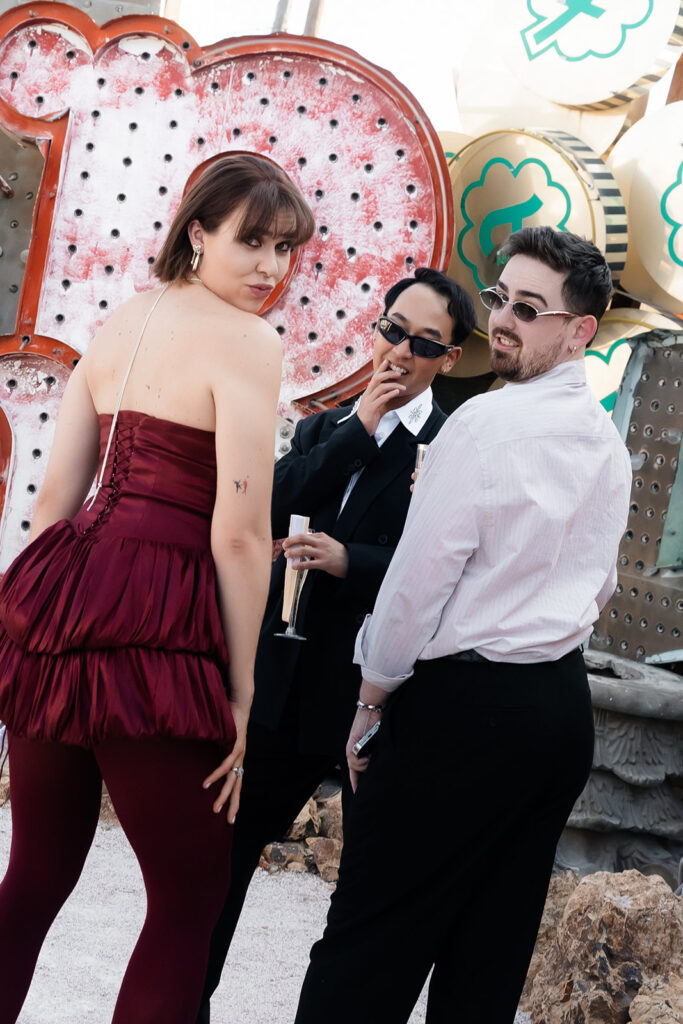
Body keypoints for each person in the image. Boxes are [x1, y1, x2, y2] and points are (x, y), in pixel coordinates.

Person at [0, 153, 314, 1024]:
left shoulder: (120, 323)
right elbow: (243, 532)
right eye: (252, 242)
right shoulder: (249, 342)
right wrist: (242, 692)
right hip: (160, 615)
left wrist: (41, 623)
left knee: (31, 880)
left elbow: (54, 504)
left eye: (286, 249)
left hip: (65, 600)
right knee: (188, 899)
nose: (270, 268)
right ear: (196, 232)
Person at [294, 227, 633, 1024]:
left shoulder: (480, 426)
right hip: (556, 713)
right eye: (497, 298)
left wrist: (371, 698)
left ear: (579, 329)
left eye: (528, 308)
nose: (502, 321)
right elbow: (602, 588)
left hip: (459, 713)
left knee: (366, 949)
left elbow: (415, 588)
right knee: (486, 965)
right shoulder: (604, 442)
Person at [197, 268, 476, 1022]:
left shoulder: (454, 444)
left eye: (422, 343)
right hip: (282, 690)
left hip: (374, 705)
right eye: (391, 330)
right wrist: (358, 425)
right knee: (215, 872)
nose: (398, 352)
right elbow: (268, 508)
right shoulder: (327, 425)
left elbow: (454, 565)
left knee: (365, 897)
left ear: (448, 359)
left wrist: (355, 561)